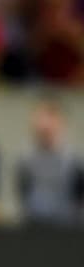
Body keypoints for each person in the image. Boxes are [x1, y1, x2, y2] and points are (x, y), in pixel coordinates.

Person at [17, 97, 84, 226]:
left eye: (49, 121)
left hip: (67, 231)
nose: (43, 126)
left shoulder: (75, 163)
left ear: (60, 123)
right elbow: (24, 194)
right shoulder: (25, 161)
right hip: (34, 229)